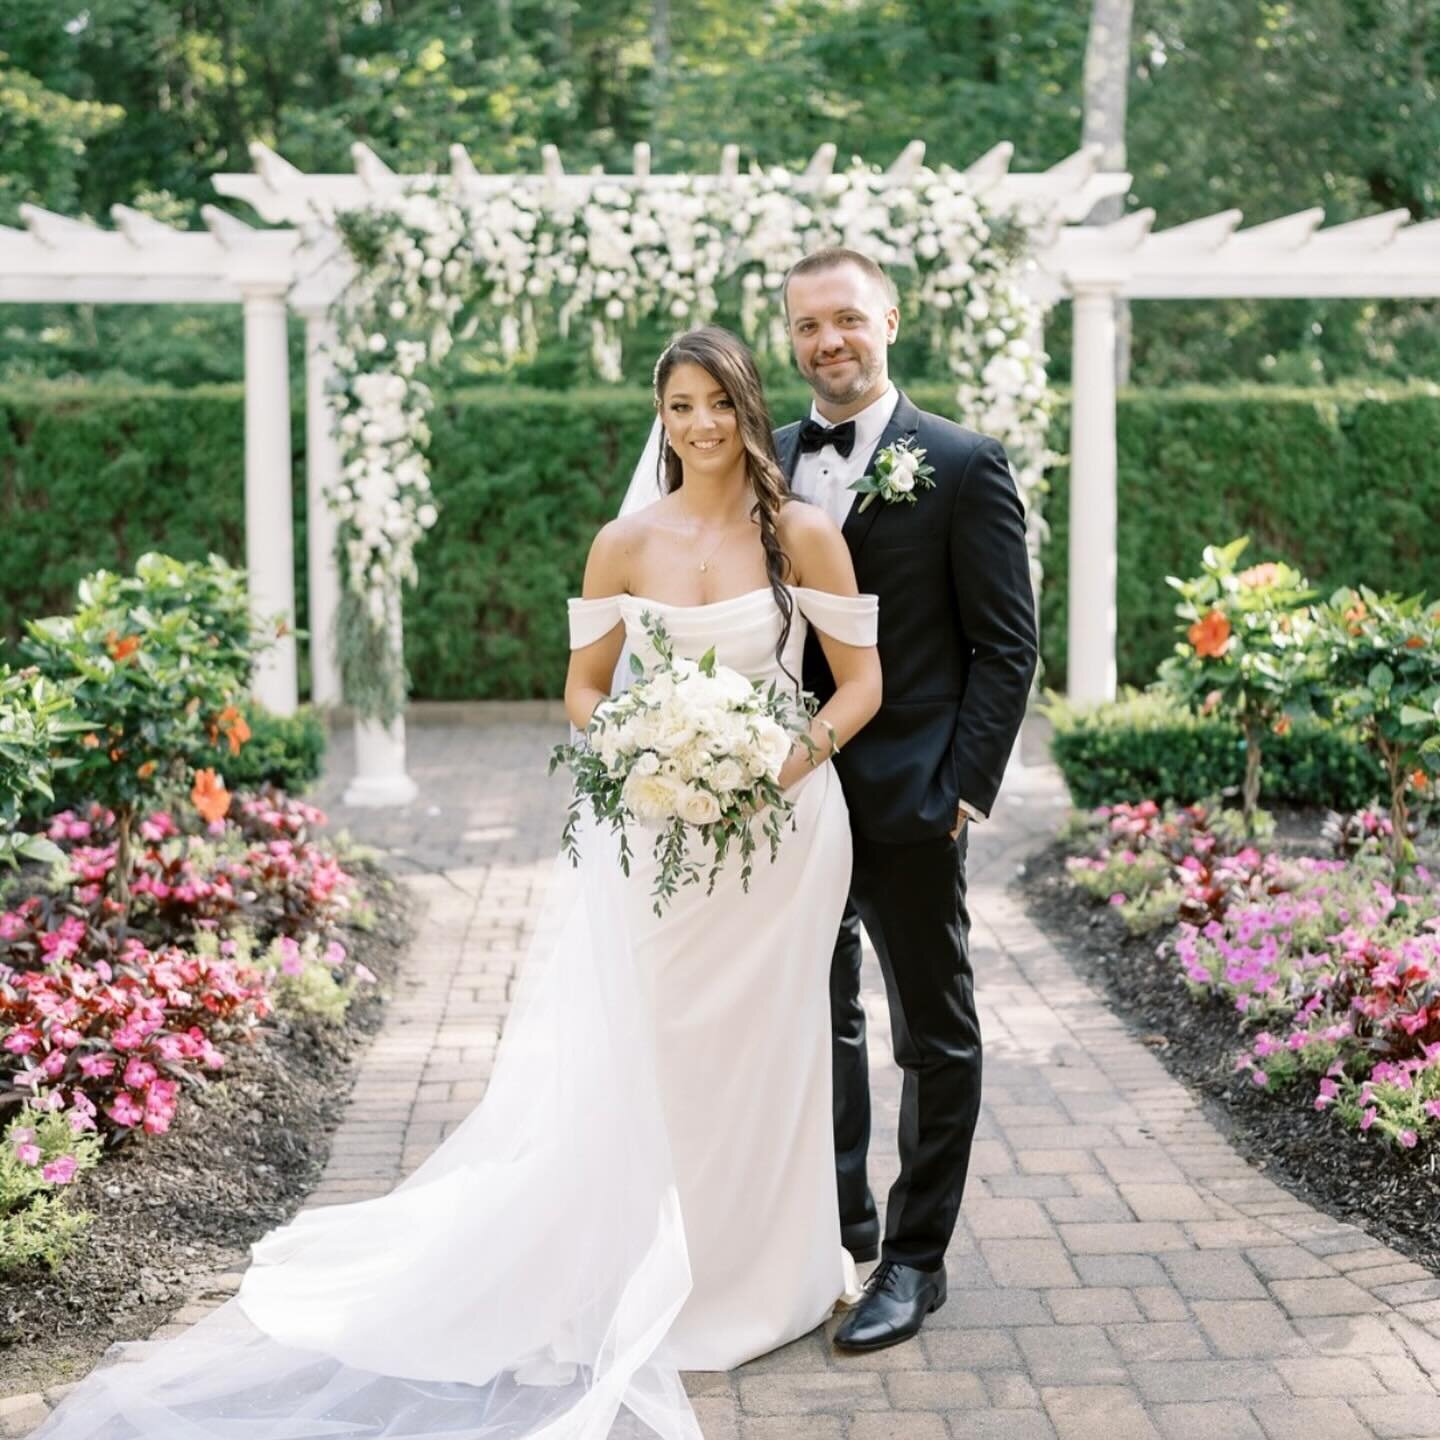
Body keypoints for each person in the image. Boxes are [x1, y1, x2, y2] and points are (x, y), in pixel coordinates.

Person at [29, 326, 882, 1440]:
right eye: (680, 406)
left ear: (749, 408)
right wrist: (647, 748)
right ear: (660, 419)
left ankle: (767, 1278)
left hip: (786, 835)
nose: (702, 424)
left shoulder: (806, 536)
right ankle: (654, 1273)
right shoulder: (623, 543)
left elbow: (859, 683)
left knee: (774, 1050)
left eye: (717, 402)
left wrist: (780, 760)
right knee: (665, 1051)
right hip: (659, 831)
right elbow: (581, 689)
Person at [775, 247, 1038, 1352]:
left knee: (935, 1036)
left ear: (889, 317)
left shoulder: (965, 463)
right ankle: (839, 1234)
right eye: (806, 328)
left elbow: (1007, 645)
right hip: (786, 802)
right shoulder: (763, 457)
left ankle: (914, 1262)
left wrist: (962, 790)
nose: (828, 343)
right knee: (811, 1026)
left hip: (913, 801)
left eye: (846, 320)